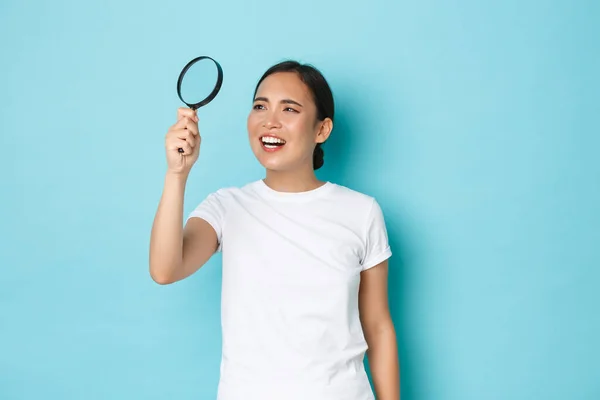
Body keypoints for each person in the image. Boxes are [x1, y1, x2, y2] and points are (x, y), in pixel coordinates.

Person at [149, 60, 400, 400]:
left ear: (322, 130)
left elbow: (378, 326)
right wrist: (176, 174)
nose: (270, 121)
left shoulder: (361, 211)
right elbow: (165, 269)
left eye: (290, 109)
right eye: (260, 106)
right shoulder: (226, 206)